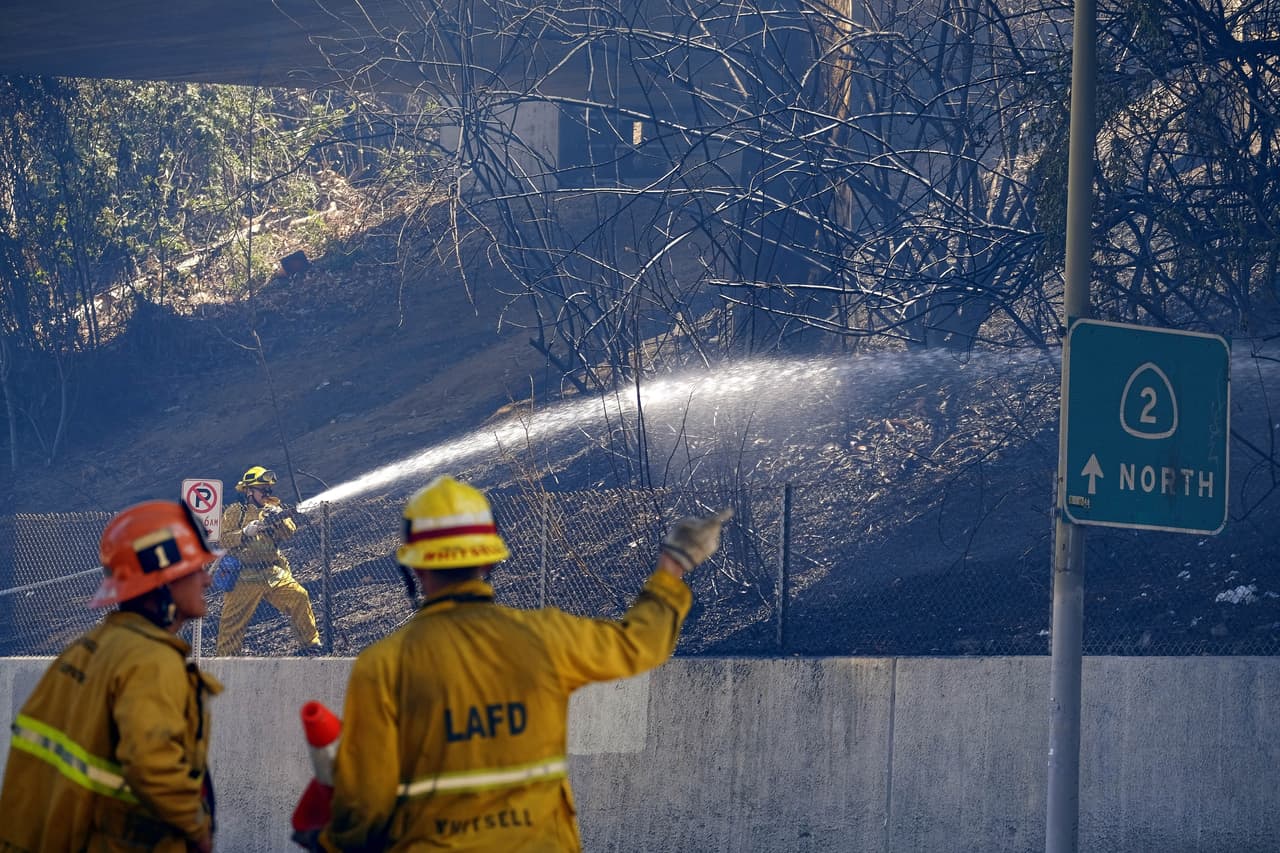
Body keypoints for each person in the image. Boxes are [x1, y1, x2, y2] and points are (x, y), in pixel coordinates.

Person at [306, 474, 732, 852]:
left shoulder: (383, 666)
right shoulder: (544, 638)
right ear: (490, 560)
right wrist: (672, 565)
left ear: (415, 570)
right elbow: (641, 643)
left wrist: (331, 841)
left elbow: (363, 806)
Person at [0, 500, 222, 852]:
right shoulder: (151, 660)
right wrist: (197, 828)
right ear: (163, 582)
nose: (208, 580)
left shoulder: (89, 648)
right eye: (196, 569)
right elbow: (154, 765)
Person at [216, 464, 322, 655]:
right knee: (232, 622)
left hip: (272, 572)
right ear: (249, 491)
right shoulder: (235, 512)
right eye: (262, 489)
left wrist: (279, 518)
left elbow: (289, 533)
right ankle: (225, 662)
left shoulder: (273, 508)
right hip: (244, 576)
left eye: (268, 489)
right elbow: (223, 539)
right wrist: (245, 532)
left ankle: (311, 646)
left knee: (299, 596)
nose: (267, 493)